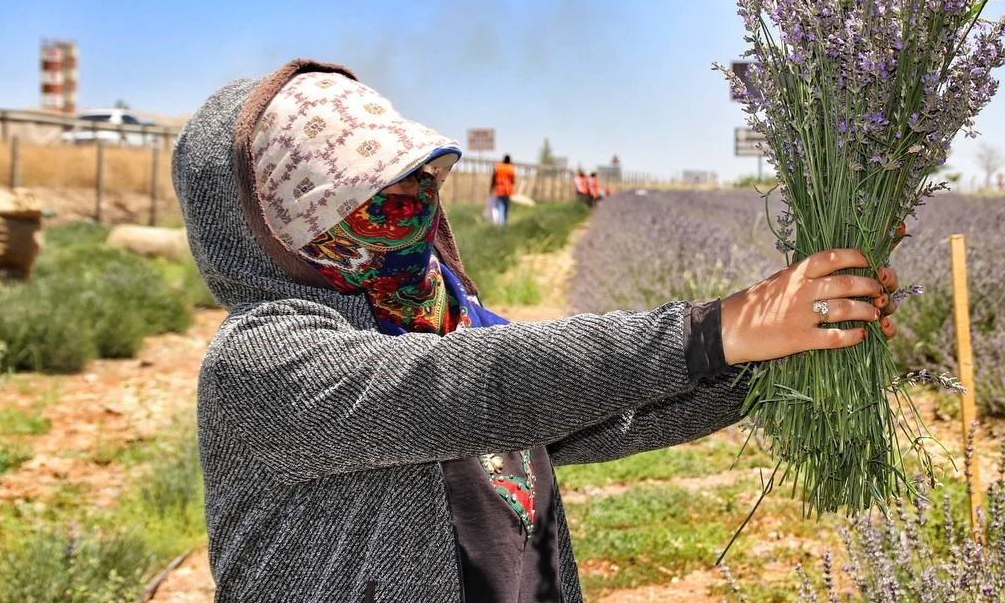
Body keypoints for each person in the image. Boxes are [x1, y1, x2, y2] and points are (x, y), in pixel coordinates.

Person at [174, 59, 902, 602]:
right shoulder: (263, 360)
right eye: (366, 199)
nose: (408, 213)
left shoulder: (438, 317)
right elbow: (473, 389)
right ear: (268, 223)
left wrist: (785, 353)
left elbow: (586, 418)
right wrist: (715, 329)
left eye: (416, 185)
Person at [490, 154, 517, 226]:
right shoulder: (511, 168)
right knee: (506, 207)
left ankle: (501, 224)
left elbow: (493, 179)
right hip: (508, 190)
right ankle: (504, 223)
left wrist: (491, 188)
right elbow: (513, 181)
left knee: (500, 207)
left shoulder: (498, 167)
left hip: (499, 190)